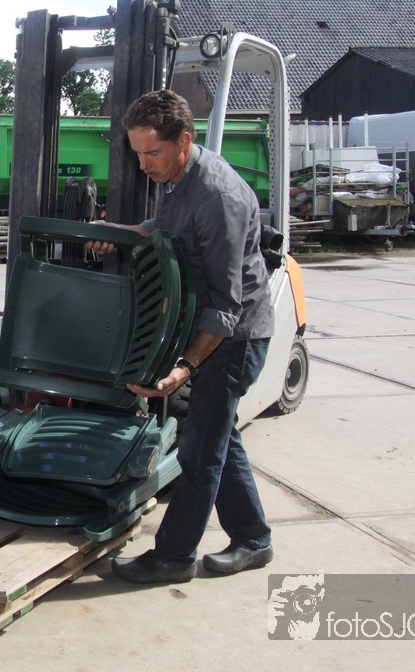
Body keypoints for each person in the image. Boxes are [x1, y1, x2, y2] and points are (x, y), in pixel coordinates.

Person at [86, 89, 275, 584]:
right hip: (212, 326)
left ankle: (173, 557)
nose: (143, 164)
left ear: (184, 141)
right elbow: (169, 229)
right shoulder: (176, 178)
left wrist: (185, 367)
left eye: (152, 153)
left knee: (199, 451)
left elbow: (227, 306)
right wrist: (126, 232)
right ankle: (254, 539)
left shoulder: (218, 198)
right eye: (137, 153)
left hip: (234, 338)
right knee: (219, 437)